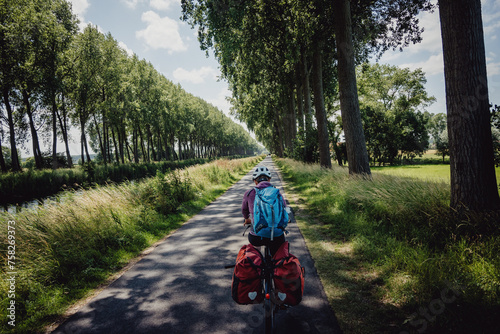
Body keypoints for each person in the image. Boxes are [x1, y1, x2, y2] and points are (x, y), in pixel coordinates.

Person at [241, 165, 287, 255]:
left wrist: (246, 219)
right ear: (269, 179)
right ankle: (276, 264)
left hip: (256, 236)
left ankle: (257, 262)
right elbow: (284, 208)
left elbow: (244, 210)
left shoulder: (249, 193)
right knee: (277, 258)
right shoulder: (276, 192)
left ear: (255, 181)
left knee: (255, 254)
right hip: (276, 235)